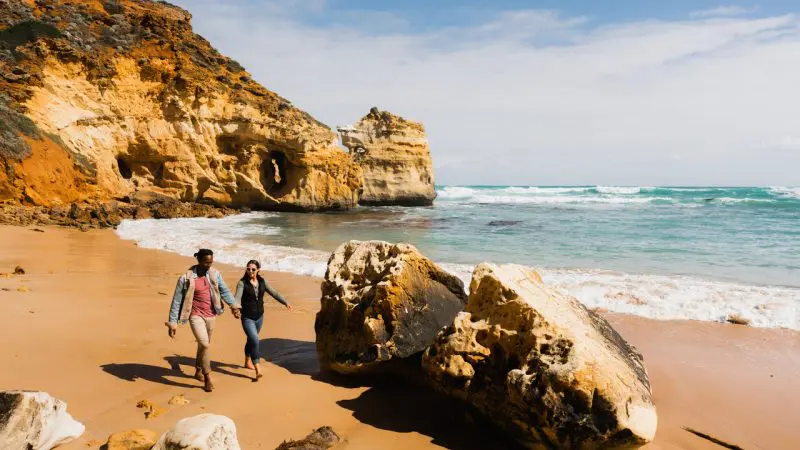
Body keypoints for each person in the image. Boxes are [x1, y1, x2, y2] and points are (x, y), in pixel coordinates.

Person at [165, 249, 241, 392]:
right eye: (206, 262)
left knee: (203, 345)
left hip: (211, 314)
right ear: (198, 260)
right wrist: (172, 322)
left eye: (211, 262)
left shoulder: (214, 274)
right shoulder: (186, 278)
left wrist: (234, 306)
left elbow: (224, 291)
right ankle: (207, 377)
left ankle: (198, 369)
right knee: (205, 343)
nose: (209, 265)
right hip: (195, 315)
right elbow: (177, 300)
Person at [234, 260, 292, 380]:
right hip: (247, 317)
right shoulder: (242, 283)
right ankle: (258, 369)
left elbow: (274, 293)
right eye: (248, 269)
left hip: (259, 317)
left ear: (258, 270)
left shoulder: (262, 282)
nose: (250, 271)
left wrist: (285, 302)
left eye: (253, 269)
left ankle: (247, 361)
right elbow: (237, 298)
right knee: (255, 340)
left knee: (251, 340)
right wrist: (236, 309)